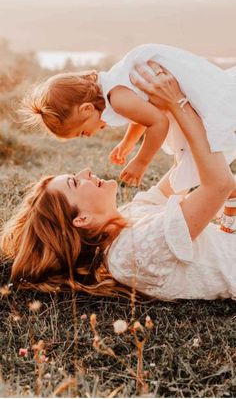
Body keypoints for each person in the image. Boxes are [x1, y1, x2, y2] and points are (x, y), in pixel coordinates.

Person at [1, 63, 236, 300]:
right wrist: (178, 104)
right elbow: (218, 185)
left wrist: (172, 101)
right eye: (74, 182)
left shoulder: (128, 216)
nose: (85, 171)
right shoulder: (130, 255)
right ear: (82, 219)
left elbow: (186, 169)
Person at [22, 44, 236, 196]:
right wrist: (127, 143)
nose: (88, 135)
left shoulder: (117, 98)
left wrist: (141, 162)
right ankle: (225, 192)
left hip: (190, 94)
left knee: (199, 150)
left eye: (82, 132)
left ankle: (224, 192)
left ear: (86, 109)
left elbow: (159, 123)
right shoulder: (116, 95)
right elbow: (141, 116)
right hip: (176, 97)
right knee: (194, 154)